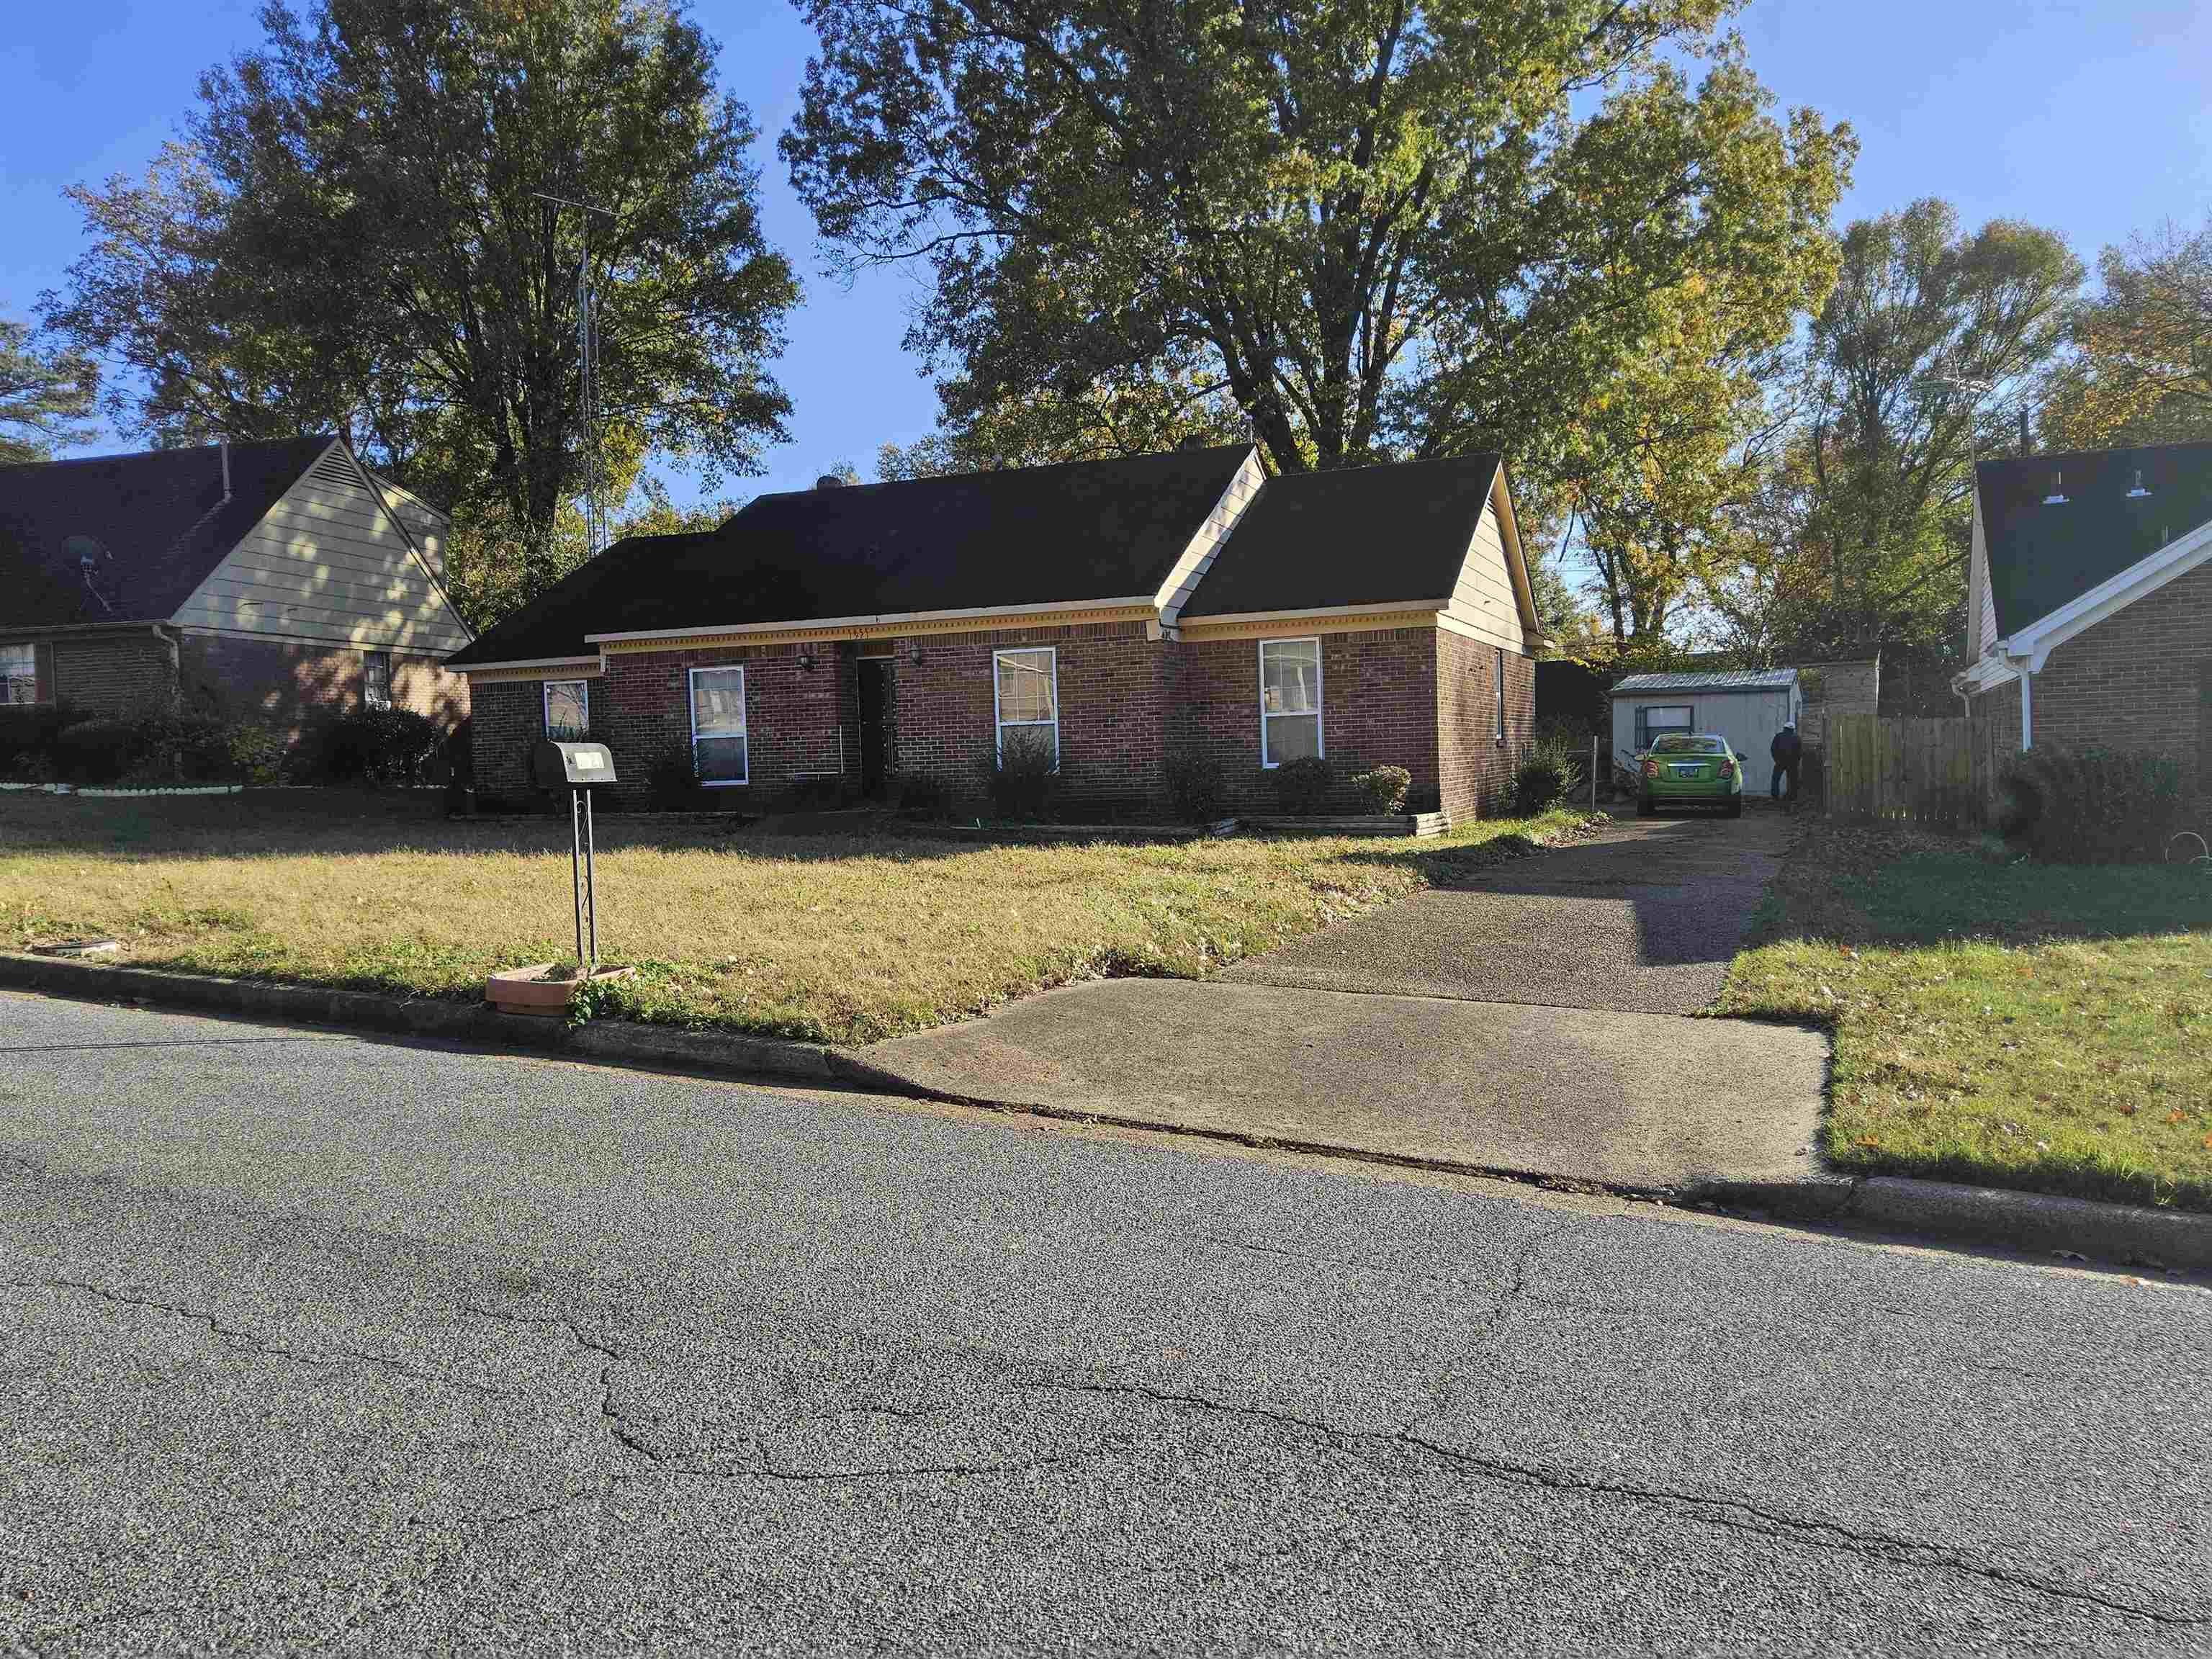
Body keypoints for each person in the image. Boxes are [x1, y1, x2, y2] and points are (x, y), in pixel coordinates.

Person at [1770, 722, 1802, 804]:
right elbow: (1800, 752)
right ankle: (1793, 797)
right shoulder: (1797, 738)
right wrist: (1796, 762)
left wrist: (1776, 760)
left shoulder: (1779, 736)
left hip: (1780, 762)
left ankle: (1775, 797)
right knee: (1793, 781)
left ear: (1784, 728)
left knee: (1776, 779)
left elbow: (1773, 749)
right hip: (1792, 763)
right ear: (1793, 729)